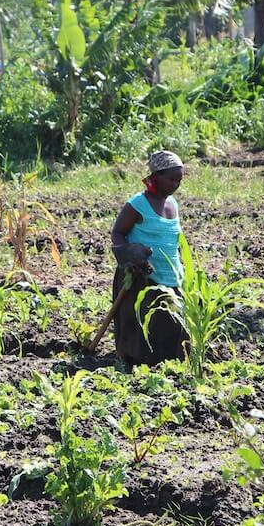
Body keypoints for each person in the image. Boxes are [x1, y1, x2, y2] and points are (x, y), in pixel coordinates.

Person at [110, 150, 187, 367]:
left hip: (169, 274)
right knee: (140, 325)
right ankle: (137, 364)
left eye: (179, 180)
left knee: (171, 324)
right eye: (171, 179)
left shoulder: (173, 204)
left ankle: (167, 364)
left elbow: (174, 240)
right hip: (140, 276)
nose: (175, 184)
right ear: (156, 176)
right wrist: (130, 251)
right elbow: (118, 233)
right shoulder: (137, 204)